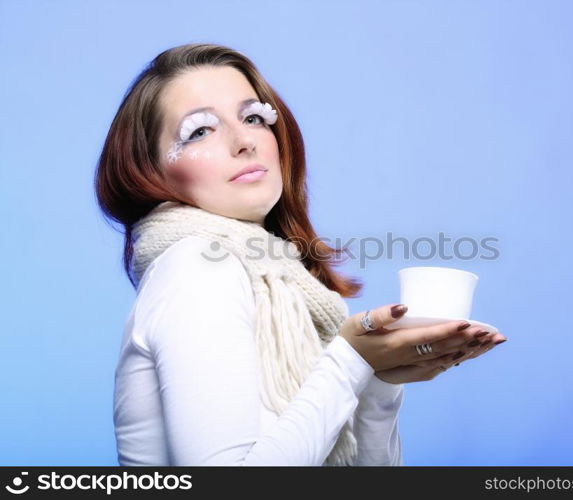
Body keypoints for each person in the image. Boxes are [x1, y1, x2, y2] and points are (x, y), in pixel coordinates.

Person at [95, 43, 507, 466]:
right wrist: (350, 361)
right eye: (199, 131)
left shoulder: (282, 283)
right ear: (148, 171)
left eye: (254, 118)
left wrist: (377, 383)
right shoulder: (199, 266)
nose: (244, 142)